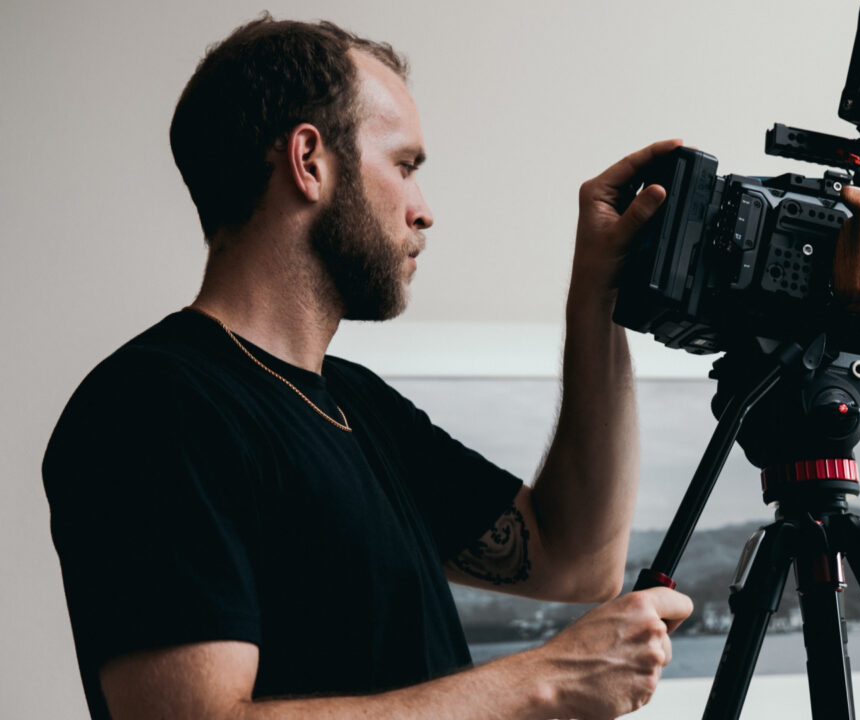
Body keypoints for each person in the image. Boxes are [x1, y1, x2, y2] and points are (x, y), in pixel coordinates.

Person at [42, 15, 692, 720]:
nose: (424, 211)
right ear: (310, 161)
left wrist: (596, 297)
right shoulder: (153, 406)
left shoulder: (358, 403)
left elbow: (574, 558)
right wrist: (545, 681)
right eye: (405, 166)